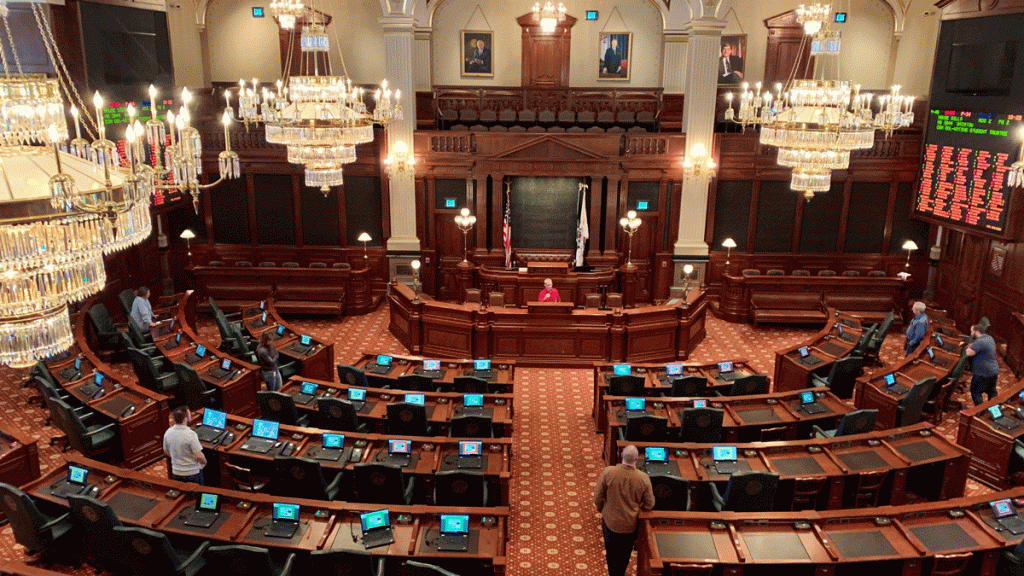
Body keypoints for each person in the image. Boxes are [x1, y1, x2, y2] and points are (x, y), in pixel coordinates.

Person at [594, 445, 655, 576]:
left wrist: (602, 509)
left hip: (610, 522)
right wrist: (638, 508)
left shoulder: (608, 472)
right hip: (630, 525)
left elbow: (598, 497)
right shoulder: (643, 478)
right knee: (624, 555)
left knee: (611, 553)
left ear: (621, 455)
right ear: (637, 459)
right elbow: (650, 504)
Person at [163, 405, 206, 484]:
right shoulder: (190, 434)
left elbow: (166, 450)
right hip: (192, 473)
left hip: (176, 472)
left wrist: (177, 457)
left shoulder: (168, 432)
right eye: (189, 414)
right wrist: (204, 462)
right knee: (197, 495)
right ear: (185, 419)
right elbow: (199, 456)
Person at [966, 323, 999, 405]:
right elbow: (980, 348)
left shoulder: (980, 342)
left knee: (976, 392)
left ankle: (980, 413)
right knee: (992, 392)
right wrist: (972, 346)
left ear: (976, 331)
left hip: (983, 373)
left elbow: (968, 353)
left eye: (971, 331)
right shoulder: (989, 338)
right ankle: (993, 410)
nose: (971, 333)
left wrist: (968, 347)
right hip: (993, 371)